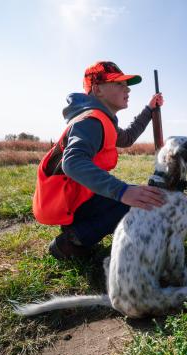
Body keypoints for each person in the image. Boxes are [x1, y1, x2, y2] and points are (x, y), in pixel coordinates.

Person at [33, 61, 165, 260]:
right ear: (97, 89)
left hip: (77, 199)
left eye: (126, 84)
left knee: (140, 197)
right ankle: (72, 240)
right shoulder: (91, 121)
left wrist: (149, 109)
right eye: (119, 84)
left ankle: (82, 232)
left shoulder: (102, 120)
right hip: (71, 204)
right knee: (140, 201)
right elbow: (73, 162)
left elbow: (127, 138)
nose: (127, 89)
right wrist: (123, 191)